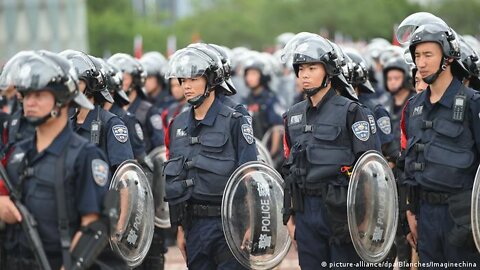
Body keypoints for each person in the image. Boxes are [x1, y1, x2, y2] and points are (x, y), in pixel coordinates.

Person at [0, 50, 110, 269]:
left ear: (61, 99)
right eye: (27, 95)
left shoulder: (84, 156)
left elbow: (93, 226)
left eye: (39, 95)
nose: (29, 103)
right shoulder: (16, 155)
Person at [281, 33, 377, 269]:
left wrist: (364, 220)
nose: (304, 74)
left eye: (312, 67)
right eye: (301, 68)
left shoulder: (352, 112)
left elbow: (370, 170)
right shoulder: (293, 116)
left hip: (342, 212)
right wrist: (290, 217)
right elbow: (289, 169)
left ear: (329, 70)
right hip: (306, 213)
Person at [163, 46, 258, 270]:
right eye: (182, 80)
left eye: (193, 79)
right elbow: (176, 178)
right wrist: (180, 229)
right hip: (194, 226)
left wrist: (252, 223)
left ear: (211, 80)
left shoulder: (236, 118)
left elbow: (250, 172)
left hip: (230, 223)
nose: (185, 86)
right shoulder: (178, 124)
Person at [398, 14, 480, 267]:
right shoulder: (414, 107)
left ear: (448, 56)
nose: (420, 63)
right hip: (425, 217)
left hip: (463, 219)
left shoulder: (473, 103)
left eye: (428, 55)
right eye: (417, 56)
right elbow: (409, 164)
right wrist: (409, 212)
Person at [61, 50, 134, 172]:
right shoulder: (66, 125)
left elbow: (125, 177)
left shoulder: (111, 124)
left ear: (91, 85)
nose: (71, 87)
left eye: (77, 82)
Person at [108, 53, 164, 152]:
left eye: (124, 79)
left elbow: (160, 149)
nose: (119, 83)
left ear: (134, 80)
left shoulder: (148, 111)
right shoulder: (108, 110)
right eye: (116, 79)